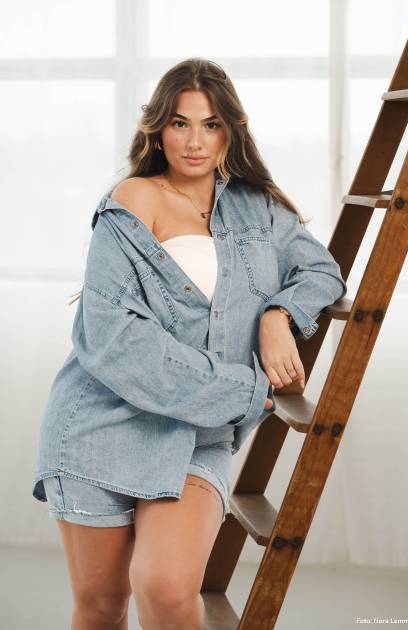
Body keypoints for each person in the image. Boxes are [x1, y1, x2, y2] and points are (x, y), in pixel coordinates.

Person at [32, 57, 347, 629]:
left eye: (210, 124)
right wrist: (243, 390)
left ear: (230, 130)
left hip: (197, 433)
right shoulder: (132, 199)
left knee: (168, 591)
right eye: (180, 123)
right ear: (158, 129)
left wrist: (277, 315)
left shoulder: (258, 208)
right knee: (101, 606)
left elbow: (322, 272)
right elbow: (113, 339)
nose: (195, 141)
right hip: (99, 424)